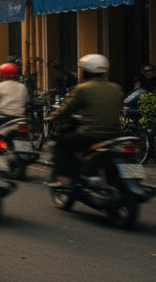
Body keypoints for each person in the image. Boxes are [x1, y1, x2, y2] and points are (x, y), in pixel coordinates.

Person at [48, 54, 123, 187]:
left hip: (90, 134)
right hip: (114, 135)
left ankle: (69, 176)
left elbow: (67, 108)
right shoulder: (116, 88)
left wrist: (53, 117)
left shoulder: (83, 88)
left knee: (61, 143)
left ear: (86, 72)